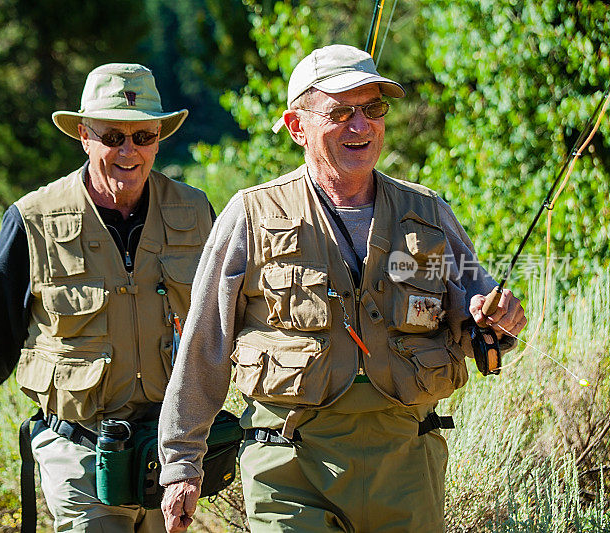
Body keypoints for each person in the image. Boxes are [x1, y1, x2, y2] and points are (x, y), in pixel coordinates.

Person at [157, 45, 527, 532]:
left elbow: (480, 309)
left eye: (373, 109)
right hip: (289, 464)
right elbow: (206, 343)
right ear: (297, 126)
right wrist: (181, 462)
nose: (362, 125)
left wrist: (498, 320)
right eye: (340, 112)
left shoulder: (428, 212)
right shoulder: (250, 215)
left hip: (408, 462)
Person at [0, 63, 214, 532]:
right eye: (112, 137)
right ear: (84, 136)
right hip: (79, 451)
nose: (129, 152)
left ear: (159, 137)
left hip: (170, 456)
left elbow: (231, 323)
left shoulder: (197, 210)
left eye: (143, 137)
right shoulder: (34, 218)